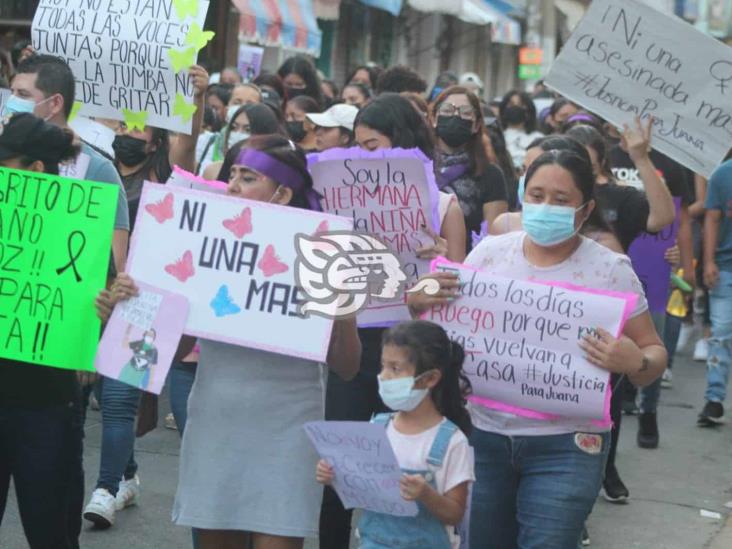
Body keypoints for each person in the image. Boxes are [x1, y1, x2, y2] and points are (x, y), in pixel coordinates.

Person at [408, 148, 667, 549]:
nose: (546, 207)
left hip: (568, 447)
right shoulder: (492, 254)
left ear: (584, 210)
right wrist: (420, 302)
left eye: (561, 201)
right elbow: (446, 328)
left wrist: (636, 361)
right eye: (537, 195)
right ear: (522, 196)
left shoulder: (610, 269)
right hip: (486, 438)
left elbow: (653, 352)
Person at [159, 135, 361, 549]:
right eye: (231, 174)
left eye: (247, 177)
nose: (231, 185)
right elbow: (174, 352)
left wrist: (342, 308)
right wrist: (161, 303)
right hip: (218, 420)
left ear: (283, 193)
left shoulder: (324, 255)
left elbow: (347, 366)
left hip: (287, 429)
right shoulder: (208, 246)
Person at [320, 93, 467, 549]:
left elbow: (457, 290)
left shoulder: (444, 207)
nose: (363, 157)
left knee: (412, 468)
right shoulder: (337, 204)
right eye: (357, 146)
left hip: (410, 356)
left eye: (373, 145)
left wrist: (441, 261)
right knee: (339, 470)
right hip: (354, 345)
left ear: (401, 144)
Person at [82, 64, 209, 530]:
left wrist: (196, 99)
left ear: (155, 142)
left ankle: (106, 488)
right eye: (122, 124)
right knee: (97, 392)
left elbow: (189, 144)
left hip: (143, 305)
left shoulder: (168, 181)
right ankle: (128, 474)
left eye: (138, 126)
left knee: (118, 401)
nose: (126, 133)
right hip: (91, 299)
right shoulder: (92, 172)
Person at [0, 112, 84, 549]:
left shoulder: (78, 229)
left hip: (46, 409)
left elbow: (102, 320)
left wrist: (110, 302)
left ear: (34, 169)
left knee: (50, 533)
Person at [317, 321, 474, 548]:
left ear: (430, 378)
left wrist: (426, 495)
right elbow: (362, 487)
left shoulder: (452, 440)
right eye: (383, 366)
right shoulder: (377, 429)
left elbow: (455, 513)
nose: (384, 376)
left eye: (395, 368)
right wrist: (335, 478)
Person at [9, 54, 130, 273]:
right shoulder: (5, 155)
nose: (12, 102)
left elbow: (114, 267)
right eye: (13, 93)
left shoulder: (98, 170)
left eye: (23, 95)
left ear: (55, 103)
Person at [431, 86, 508, 250]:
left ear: (476, 125)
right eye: (447, 110)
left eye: (465, 113)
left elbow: (494, 237)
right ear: (434, 118)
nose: (455, 116)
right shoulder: (418, 167)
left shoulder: (491, 175)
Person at [698, 157, 732, 426]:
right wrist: (708, 261)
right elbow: (712, 218)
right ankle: (714, 399)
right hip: (726, 267)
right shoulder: (723, 174)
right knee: (720, 334)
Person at [202, 102, 284, 180]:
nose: (238, 134)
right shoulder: (213, 171)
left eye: (247, 130)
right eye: (234, 128)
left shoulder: (274, 177)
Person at [498, 89, 543, 172]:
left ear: (528, 111)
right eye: (511, 104)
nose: (515, 108)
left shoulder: (538, 138)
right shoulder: (497, 136)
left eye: (520, 105)